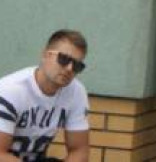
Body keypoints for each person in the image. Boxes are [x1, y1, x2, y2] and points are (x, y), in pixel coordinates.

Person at [0, 30, 90, 161]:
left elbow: (79, 150)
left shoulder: (76, 92)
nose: (70, 68)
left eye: (77, 65)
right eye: (64, 59)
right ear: (45, 55)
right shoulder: (9, 90)